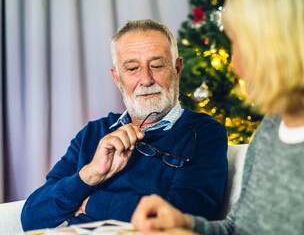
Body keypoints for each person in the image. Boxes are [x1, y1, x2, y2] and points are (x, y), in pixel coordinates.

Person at [131, 0, 304, 234]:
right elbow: (239, 228)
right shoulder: (275, 124)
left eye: (239, 43)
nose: (236, 64)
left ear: (280, 47)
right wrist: (186, 224)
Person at [21, 19, 228, 231]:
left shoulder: (205, 133)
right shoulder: (93, 134)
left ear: (177, 69)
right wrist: (90, 175)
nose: (146, 79)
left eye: (157, 65)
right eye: (132, 68)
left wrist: (90, 202)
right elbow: (31, 217)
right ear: (117, 79)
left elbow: (181, 217)